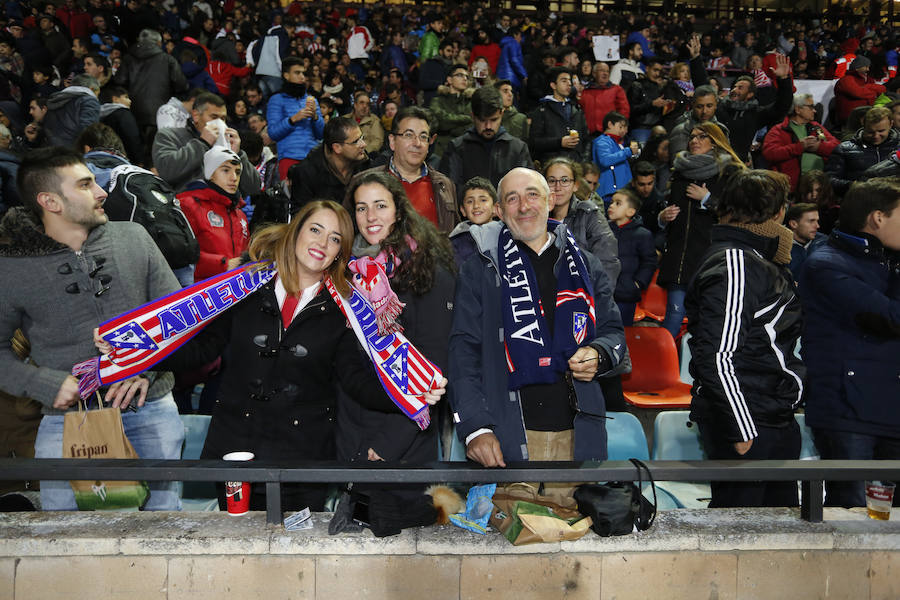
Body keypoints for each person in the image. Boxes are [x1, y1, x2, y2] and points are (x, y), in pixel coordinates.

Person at [159, 200, 436, 511]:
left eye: (334, 238)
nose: (322, 243)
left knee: (295, 555)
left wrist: (408, 390)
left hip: (303, 460)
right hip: (235, 450)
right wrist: (140, 353)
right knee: (237, 551)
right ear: (295, 231)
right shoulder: (242, 286)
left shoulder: (345, 308)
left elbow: (355, 379)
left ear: (340, 252)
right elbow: (202, 349)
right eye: (315, 230)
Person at [0, 147, 185, 511]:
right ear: (50, 201)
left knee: (163, 532)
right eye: (85, 185)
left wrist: (147, 370)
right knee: (66, 539)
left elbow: (180, 319)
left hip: (150, 409)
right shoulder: (11, 267)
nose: (101, 191)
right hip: (66, 423)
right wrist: (44, 384)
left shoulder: (134, 237)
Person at [448, 166, 626, 468]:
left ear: (550, 200)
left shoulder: (585, 265)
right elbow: (462, 352)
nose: (524, 206)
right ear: (499, 211)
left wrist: (600, 354)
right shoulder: (480, 269)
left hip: (578, 435)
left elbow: (614, 335)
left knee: (577, 517)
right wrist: (476, 427)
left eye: (532, 195)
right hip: (507, 438)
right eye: (512, 199)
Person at [687, 169, 804, 508]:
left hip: (770, 413)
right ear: (779, 212)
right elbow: (717, 355)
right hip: (751, 419)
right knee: (739, 536)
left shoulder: (756, 258)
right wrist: (741, 429)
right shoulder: (736, 260)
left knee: (775, 534)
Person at [338, 170, 455, 469]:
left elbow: (433, 363)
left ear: (399, 209)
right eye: (361, 208)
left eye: (380, 205)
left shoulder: (426, 268)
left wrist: (390, 441)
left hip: (403, 437)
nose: (370, 216)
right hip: (353, 427)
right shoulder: (350, 271)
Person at [798, 177, 900, 508]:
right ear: (878, 218)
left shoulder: (886, 259)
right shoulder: (826, 263)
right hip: (848, 413)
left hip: (887, 407)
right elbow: (890, 318)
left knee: (886, 520)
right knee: (854, 516)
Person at [658, 122, 745, 338]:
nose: (694, 141)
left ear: (715, 142)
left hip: (712, 259)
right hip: (680, 257)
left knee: (708, 321)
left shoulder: (731, 173)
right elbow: (662, 208)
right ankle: (663, 367)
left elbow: (739, 215)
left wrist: (707, 199)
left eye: (702, 137)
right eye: (692, 136)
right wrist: (662, 217)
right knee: (674, 316)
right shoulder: (679, 171)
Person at [350, 106, 458, 234]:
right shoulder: (362, 183)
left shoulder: (444, 185)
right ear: (392, 141)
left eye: (423, 137)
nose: (417, 143)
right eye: (408, 135)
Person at [689, 37, 793, 161]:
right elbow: (704, 88)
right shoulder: (719, 107)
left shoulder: (756, 114)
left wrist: (784, 80)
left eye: (740, 88)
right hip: (712, 164)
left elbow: (781, 106)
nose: (734, 90)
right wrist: (696, 59)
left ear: (749, 94)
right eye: (735, 87)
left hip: (738, 167)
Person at [153, 92, 261, 196]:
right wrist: (202, 143)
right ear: (195, 115)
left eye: (223, 119)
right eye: (214, 117)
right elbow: (167, 172)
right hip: (185, 208)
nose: (220, 124)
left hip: (224, 209)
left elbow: (254, 188)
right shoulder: (169, 136)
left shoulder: (225, 143)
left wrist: (238, 154)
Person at [175, 131, 249, 283]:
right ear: (210, 174)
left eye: (237, 172)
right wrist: (224, 264)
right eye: (225, 170)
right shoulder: (188, 204)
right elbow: (181, 256)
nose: (234, 178)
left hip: (235, 290)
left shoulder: (240, 214)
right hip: (201, 293)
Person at [439, 85, 532, 194]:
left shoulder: (518, 149)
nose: (488, 126)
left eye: (494, 120)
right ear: (473, 116)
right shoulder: (456, 148)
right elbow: (448, 193)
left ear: (502, 114)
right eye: (482, 120)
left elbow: (527, 189)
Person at [114, 29, 188, 132]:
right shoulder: (168, 60)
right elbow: (181, 85)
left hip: (133, 112)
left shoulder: (128, 59)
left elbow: (119, 82)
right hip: (160, 113)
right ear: (158, 43)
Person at [762, 93, 839, 192]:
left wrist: (819, 147)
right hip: (793, 187)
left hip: (821, 184)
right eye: (811, 107)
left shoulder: (816, 127)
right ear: (798, 109)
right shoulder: (779, 130)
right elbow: (769, 153)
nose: (815, 111)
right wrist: (799, 147)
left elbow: (837, 146)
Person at [289, 115, 370, 209]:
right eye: (356, 141)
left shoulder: (365, 165)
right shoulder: (306, 172)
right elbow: (301, 216)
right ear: (337, 148)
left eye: (362, 137)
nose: (364, 144)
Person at [267, 57, 324, 181]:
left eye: (303, 73)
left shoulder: (312, 100)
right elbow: (273, 133)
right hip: (289, 158)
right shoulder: (276, 100)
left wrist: (315, 117)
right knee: (292, 199)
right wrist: (293, 119)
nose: (302, 77)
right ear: (286, 75)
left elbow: (321, 134)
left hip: (314, 158)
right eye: (297, 73)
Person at [607, 188, 657, 326]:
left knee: (622, 332)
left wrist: (637, 283)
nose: (611, 206)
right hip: (603, 292)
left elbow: (650, 262)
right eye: (611, 202)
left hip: (626, 295)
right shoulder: (603, 230)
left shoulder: (642, 234)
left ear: (631, 211)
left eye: (618, 203)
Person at [826, 106, 900, 197]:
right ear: (863, 124)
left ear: (891, 124)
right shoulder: (844, 149)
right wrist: (853, 185)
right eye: (870, 132)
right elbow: (829, 180)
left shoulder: (898, 148)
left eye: (881, 131)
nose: (876, 136)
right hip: (860, 202)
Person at [528, 67, 589, 165]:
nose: (569, 84)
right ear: (553, 85)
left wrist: (583, 161)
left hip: (576, 166)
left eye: (569, 81)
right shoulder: (541, 111)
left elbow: (586, 140)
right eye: (564, 80)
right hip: (552, 167)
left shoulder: (577, 110)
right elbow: (534, 142)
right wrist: (559, 142)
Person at [668, 85, 730, 159]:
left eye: (709, 106)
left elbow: (725, 160)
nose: (704, 111)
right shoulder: (681, 130)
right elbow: (678, 163)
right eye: (699, 107)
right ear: (693, 105)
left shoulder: (722, 129)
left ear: (716, 105)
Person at [592, 111, 639, 205]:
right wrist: (628, 151)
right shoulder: (602, 141)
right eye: (620, 127)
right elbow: (605, 160)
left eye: (625, 128)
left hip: (621, 192)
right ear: (610, 124)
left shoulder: (616, 143)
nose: (624, 131)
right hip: (609, 194)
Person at [428, 64, 474, 160]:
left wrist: (451, 124)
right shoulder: (437, 101)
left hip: (465, 152)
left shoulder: (471, 102)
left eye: (467, 76)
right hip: (441, 153)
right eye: (460, 75)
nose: (465, 79)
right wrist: (466, 119)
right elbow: (441, 123)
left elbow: (472, 126)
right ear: (449, 80)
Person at [42, 73, 100, 148]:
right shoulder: (89, 101)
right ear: (92, 89)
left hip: (52, 150)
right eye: (97, 93)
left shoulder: (54, 99)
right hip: (74, 154)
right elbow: (89, 131)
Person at [449, 176, 497, 265]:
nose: (476, 206)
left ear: (495, 207)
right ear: (463, 210)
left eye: (483, 200)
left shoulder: (506, 236)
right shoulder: (456, 242)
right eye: (470, 201)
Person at [834, 56, 886, 129]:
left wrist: (867, 87)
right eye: (865, 67)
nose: (868, 69)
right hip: (850, 119)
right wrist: (872, 91)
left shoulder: (868, 80)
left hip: (867, 117)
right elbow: (857, 93)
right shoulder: (846, 80)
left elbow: (882, 89)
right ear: (857, 67)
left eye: (868, 67)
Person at [580, 61, 630, 136]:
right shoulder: (585, 91)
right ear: (594, 73)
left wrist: (620, 128)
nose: (605, 73)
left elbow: (624, 111)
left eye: (607, 71)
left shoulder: (617, 90)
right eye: (602, 70)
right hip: (588, 134)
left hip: (610, 134)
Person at [785, 202, 825, 276]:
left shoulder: (824, 242)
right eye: (811, 221)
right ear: (793, 224)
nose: (817, 226)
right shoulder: (779, 248)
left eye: (817, 221)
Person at [350, 90, 384, 154]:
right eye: (361, 103)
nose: (365, 106)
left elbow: (377, 142)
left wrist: (362, 152)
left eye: (367, 104)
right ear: (355, 105)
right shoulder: (345, 119)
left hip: (365, 155)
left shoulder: (375, 120)